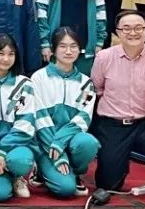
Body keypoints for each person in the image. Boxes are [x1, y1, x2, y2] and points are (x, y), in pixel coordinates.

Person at [91, 12, 145, 203]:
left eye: (138, 28)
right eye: (126, 28)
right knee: (107, 185)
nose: (133, 32)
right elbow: (97, 89)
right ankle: (119, 168)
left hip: (143, 122)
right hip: (112, 124)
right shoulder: (104, 58)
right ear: (117, 32)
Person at [29, 27, 100, 199]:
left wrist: (60, 143)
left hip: (68, 141)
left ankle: (76, 172)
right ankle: (41, 169)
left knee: (88, 142)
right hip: (46, 142)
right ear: (53, 50)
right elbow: (39, 119)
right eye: (63, 46)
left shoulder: (86, 83)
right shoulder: (39, 78)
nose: (69, 51)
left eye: (73, 46)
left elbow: (83, 119)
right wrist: (57, 152)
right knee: (65, 189)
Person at [0, 34, 36, 202]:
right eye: (0, 53)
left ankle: (17, 176)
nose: (6, 59)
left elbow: (26, 124)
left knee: (21, 161)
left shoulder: (25, 84)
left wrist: (3, 151)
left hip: (15, 148)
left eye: (11, 54)